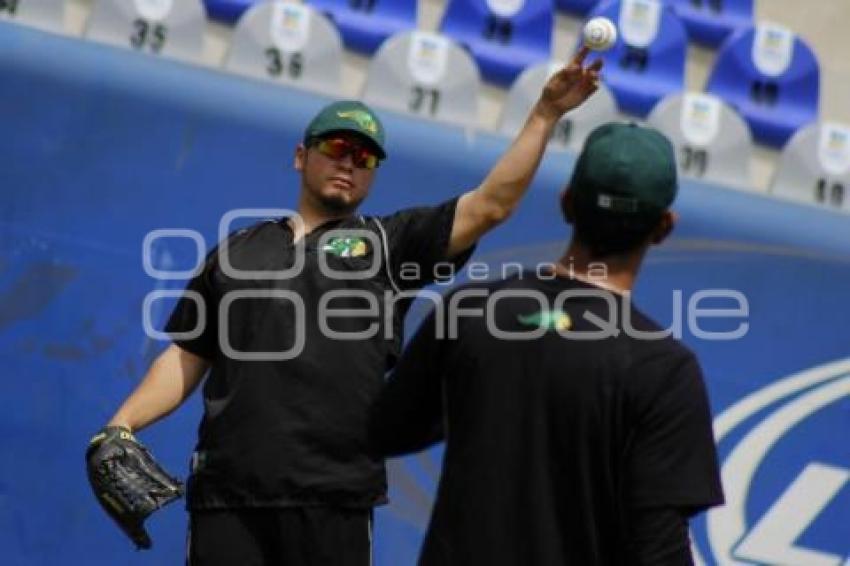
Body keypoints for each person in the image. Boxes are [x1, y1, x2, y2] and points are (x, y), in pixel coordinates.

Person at [96, 49, 603, 565]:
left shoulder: (391, 245)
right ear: (301, 156)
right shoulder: (236, 251)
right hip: (229, 495)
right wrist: (122, 424)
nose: (349, 162)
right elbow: (186, 356)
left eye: (364, 158)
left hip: (333, 497)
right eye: (337, 147)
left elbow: (492, 204)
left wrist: (544, 113)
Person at [369, 123, 725, 565]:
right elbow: (660, 548)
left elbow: (380, 432)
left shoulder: (469, 309)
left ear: (567, 203)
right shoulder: (664, 369)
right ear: (664, 227)